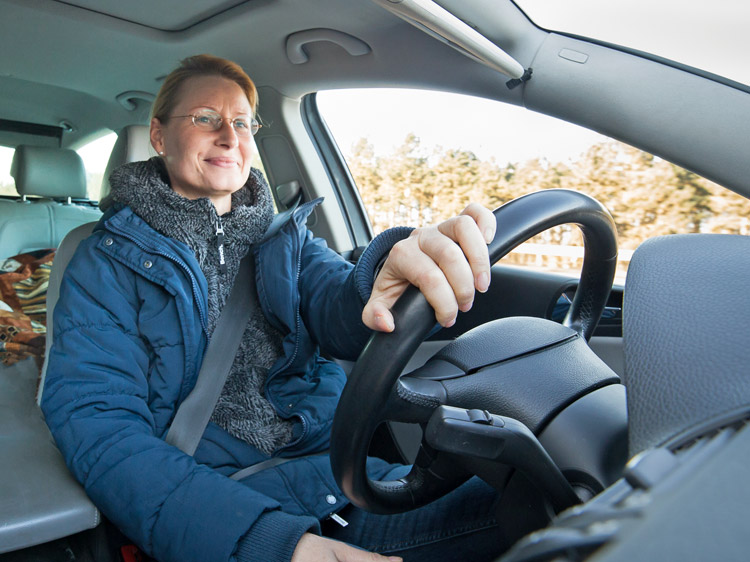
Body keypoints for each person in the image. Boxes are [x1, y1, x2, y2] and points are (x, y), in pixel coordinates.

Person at [41, 54, 501, 562]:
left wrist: (383, 279)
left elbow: (342, 312)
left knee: (530, 502)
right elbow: (100, 426)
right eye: (205, 118)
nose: (229, 136)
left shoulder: (287, 239)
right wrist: (274, 546)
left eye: (241, 123)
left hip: (335, 475)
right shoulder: (104, 262)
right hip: (215, 506)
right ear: (158, 136)